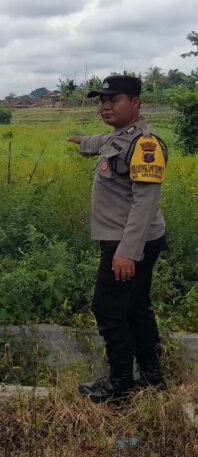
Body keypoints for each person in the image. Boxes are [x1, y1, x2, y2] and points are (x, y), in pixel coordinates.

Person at [68, 75, 169, 403]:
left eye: (114, 100)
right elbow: (103, 143)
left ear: (136, 102)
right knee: (137, 308)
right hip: (128, 241)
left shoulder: (146, 145)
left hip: (128, 242)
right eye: (102, 101)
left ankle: (121, 381)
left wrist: (127, 252)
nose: (105, 106)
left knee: (109, 310)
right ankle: (152, 377)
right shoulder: (122, 138)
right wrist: (83, 142)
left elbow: (145, 203)